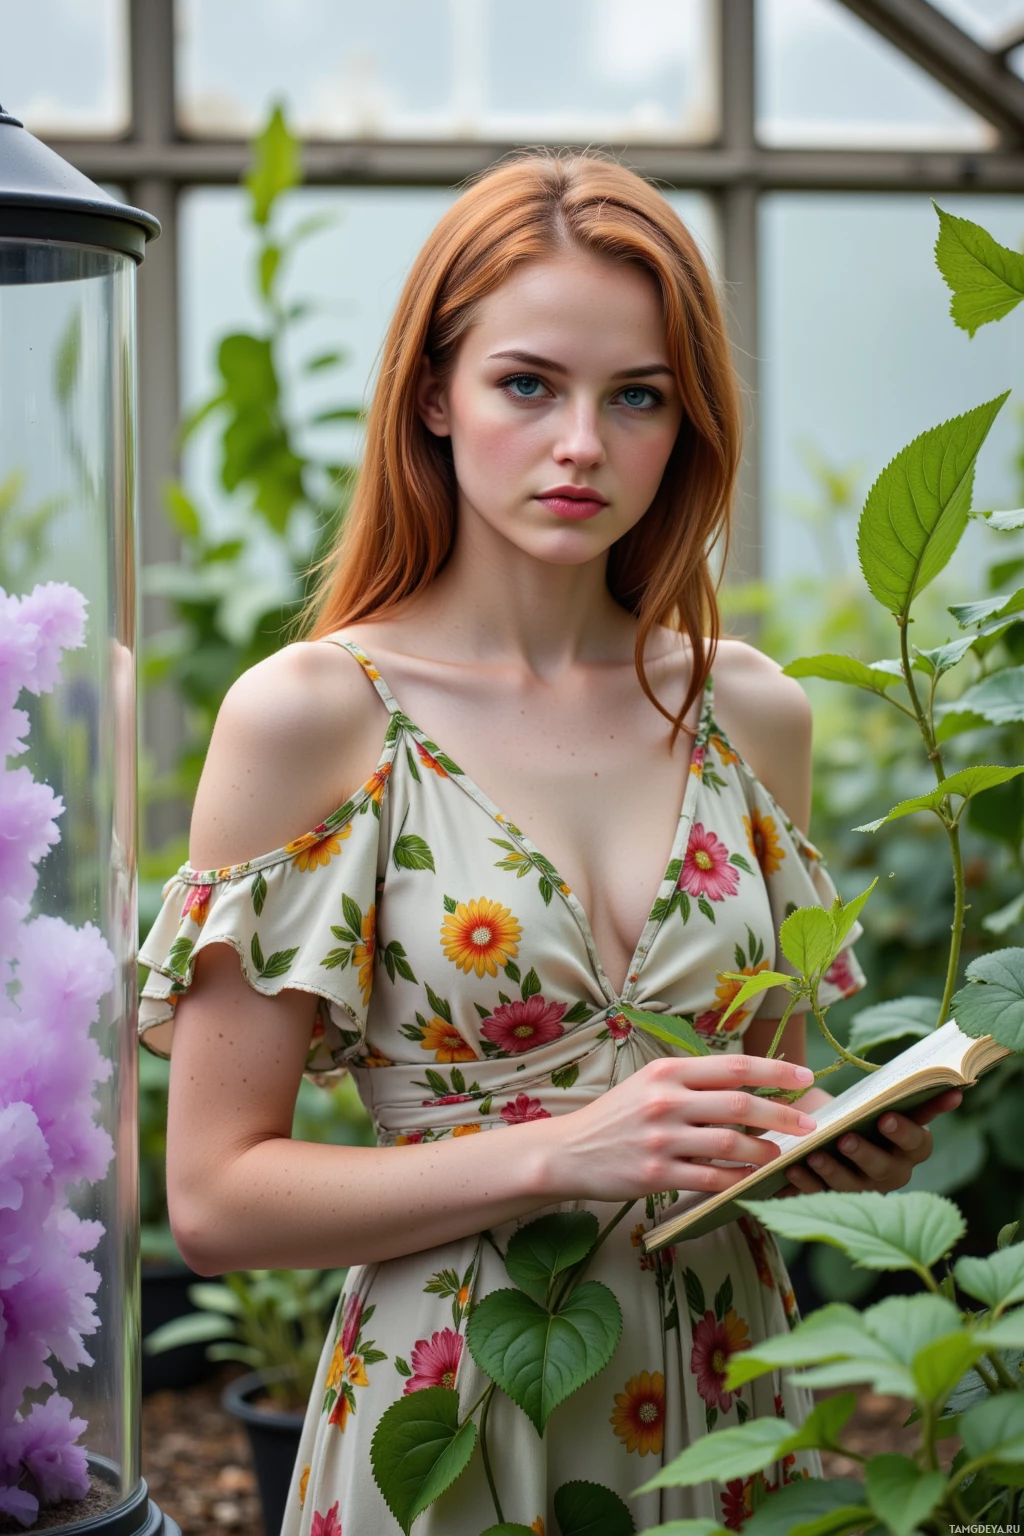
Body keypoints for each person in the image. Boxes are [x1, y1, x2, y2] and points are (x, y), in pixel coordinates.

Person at [137, 148, 959, 1534]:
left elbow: (755, 1101)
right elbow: (217, 1201)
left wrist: (831, 1151)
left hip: (731, 1398)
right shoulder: (319, 716)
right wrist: (564, 1150)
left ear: (687, 424)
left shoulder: (749, 711)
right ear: (434, 396)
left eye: (638, 395)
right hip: (452, 1410)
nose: (583, 443)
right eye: (529, 384)